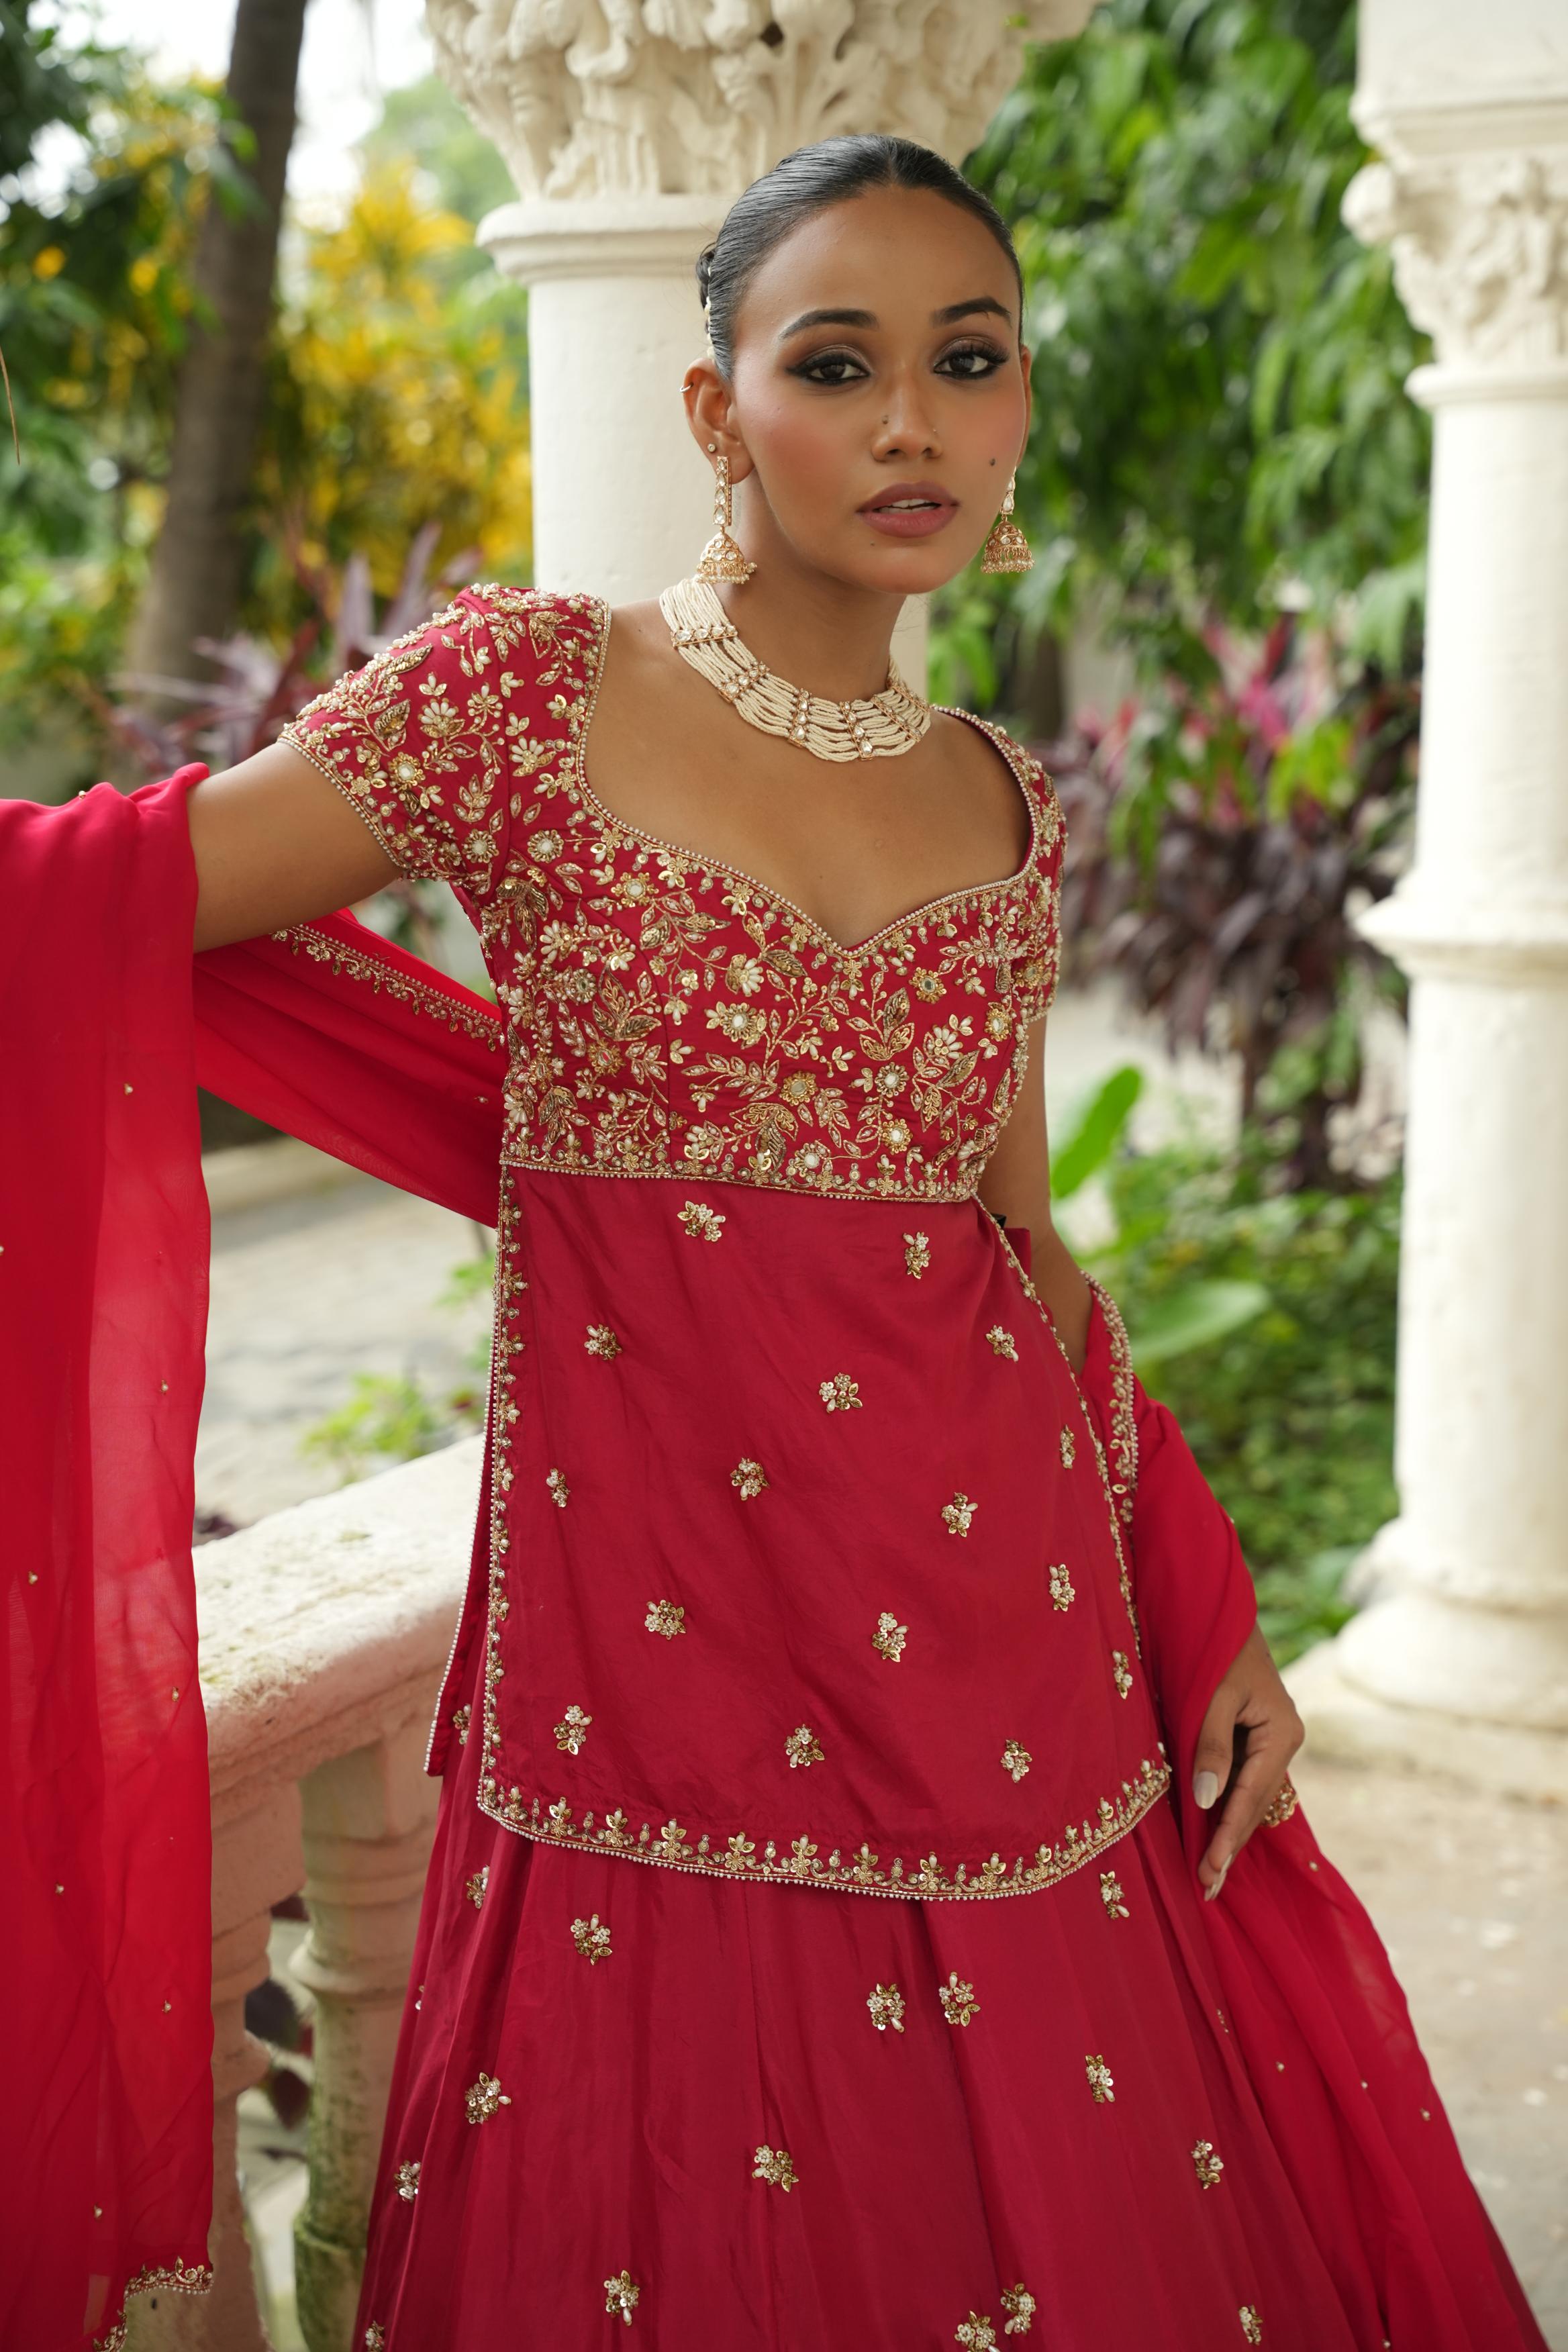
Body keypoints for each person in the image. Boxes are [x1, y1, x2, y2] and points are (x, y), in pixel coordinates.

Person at [4, 135, 1545, 2351]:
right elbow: (112, 899)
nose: (913, 419)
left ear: (1018, 416)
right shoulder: (526, 695)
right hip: (661, 1665)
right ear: (721, 409)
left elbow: (1024, 1251)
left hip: (1010, 1668)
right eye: (840, 362)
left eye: (969, 359)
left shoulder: (1000, 800)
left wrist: (1197, 1599)